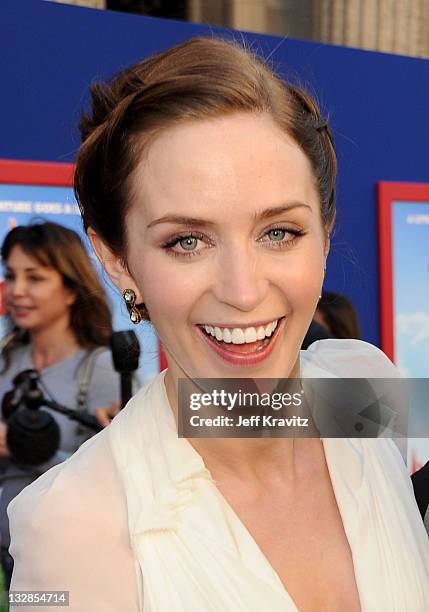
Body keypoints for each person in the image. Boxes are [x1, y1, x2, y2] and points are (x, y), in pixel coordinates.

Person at [7, 37, 429, 611]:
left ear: (326, 233)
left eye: (279, 232)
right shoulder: (71, 524)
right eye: (187, 241)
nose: (244, 290)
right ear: (117, 259)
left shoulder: (361, 380)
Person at [0, 221, 121, 588]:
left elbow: (117, 481)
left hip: (73, 561)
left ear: (70, 288)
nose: (17, 291)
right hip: (13, 558)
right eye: (11, 276)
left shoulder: (102, 367)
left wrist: (25, 447)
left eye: (34, 278)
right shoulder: (7, 363)